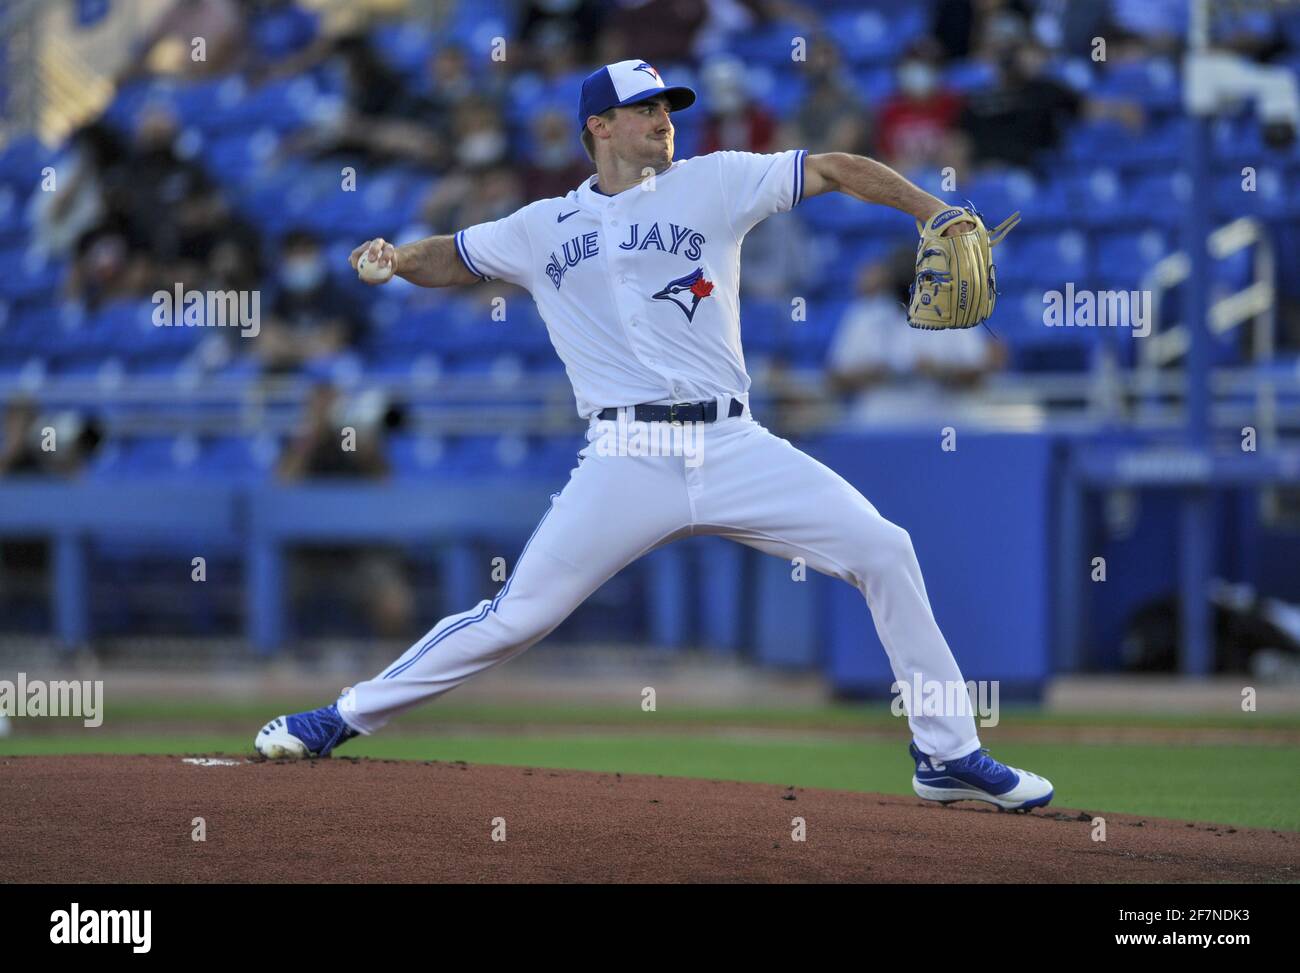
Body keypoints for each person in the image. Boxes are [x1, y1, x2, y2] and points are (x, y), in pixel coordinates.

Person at [254, 59, 1054, 813]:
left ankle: (946, 752)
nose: (664, 121)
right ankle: (340, 717)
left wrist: (932, 208)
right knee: (516, 616)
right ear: (599, 126)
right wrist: (395, 259)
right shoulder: (542, 226)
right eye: (645, 111)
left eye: (669, 108)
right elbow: (456, 257)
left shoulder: (715, 182)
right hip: (626, 457)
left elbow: (837, 167)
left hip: (736, 444)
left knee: (885, 548)